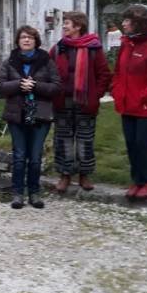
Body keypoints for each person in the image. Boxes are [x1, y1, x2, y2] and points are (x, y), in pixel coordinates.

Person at [0, 26, 62, 209]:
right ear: (18, 41)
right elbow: (0, 86)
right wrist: (19, 84)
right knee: (19, 155)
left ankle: (34, 193)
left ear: (36, 41)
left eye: (30, 38)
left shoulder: (46, 61)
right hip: (17, 114)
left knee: (35, 157)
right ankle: (18, 194)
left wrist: (35, 86)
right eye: (23, 37)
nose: (26, 40)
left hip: (39, 114)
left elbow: (56, 87)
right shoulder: (10, 61)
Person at [112, 5, 147, 201]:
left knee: (142, 142)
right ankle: (136, 180)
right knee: (131, 143)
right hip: (127, 104)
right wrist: (116, 90)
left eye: (127, 21)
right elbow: (118, 71)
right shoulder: (126, 44)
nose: (123, 24)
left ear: (138, 24)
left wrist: (144, 95)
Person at [51, 12, 112, 192]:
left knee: (85, 140)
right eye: (64, 23)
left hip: (85, 103)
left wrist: (95, 95)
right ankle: (65, 174)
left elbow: (104, 74)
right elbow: (48, 70)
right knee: (63, 139)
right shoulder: (58, 48)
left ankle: (84, 175)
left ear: (78, 26)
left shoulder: (93, 48)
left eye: (67, 23)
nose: (64, 26)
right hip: (63, 102)